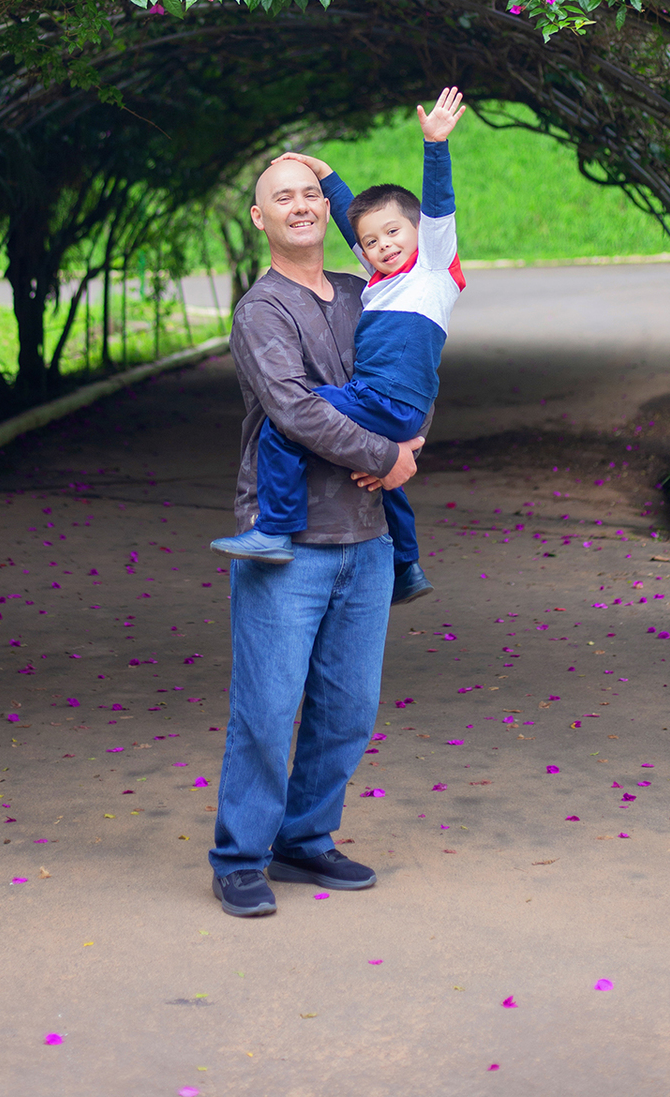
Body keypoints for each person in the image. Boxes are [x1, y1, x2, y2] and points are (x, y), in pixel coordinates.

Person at [208, 156, 426, 918]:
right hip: (288, 542)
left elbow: (412, 365)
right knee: (267, 711)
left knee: (347, 709)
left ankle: (302, 839)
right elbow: (294, 410)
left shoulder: (367, 291)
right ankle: (240, 857)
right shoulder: (262, 310)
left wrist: (409, 437)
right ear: (260, 218)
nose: (300, 206)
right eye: (283, 197)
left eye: (310, 195)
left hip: (366, 538)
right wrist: (385, 456)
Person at [210, 87, 466, 607]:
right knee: (382, 479)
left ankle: (275, 529)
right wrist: (326, 175)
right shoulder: (377, 283)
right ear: (259, 216)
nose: (382, 245)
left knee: (283, 430)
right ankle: (406, 564)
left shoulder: (431, 268)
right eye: (373, 243)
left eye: (395, 233)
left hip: (383, 433)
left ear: (421, 232)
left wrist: (435, 146)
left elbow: (437, 209)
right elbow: (360, 224)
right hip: (390, 419)